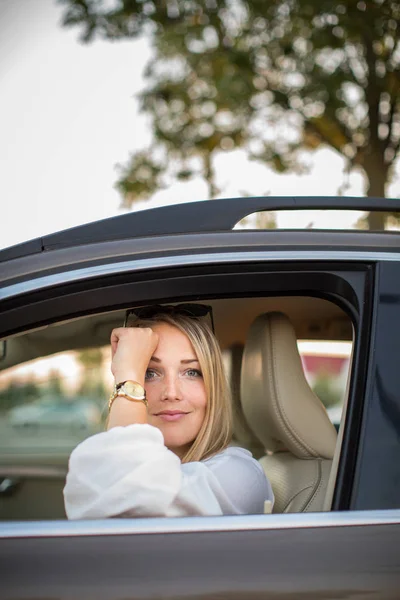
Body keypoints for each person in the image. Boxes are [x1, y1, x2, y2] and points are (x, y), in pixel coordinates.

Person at [64, 305, 274, 519]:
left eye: (192, 372)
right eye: (149, 373)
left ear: (214, 386)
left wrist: (128, 376)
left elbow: (123, 509)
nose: (171, 393)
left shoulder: (240, 475)